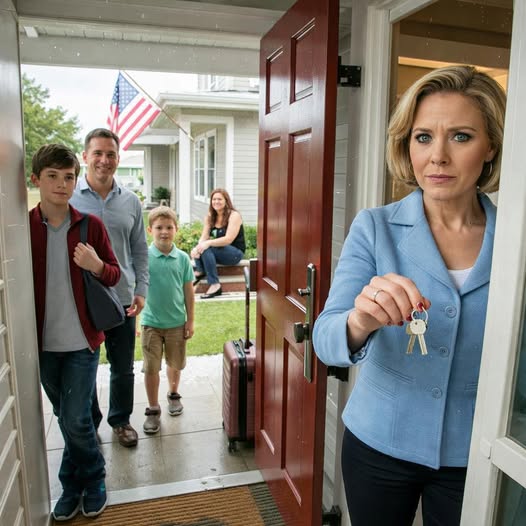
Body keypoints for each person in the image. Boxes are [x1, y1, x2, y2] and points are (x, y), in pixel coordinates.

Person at [312, 65, 506, 526]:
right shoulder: (374, 227)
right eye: (423, 137)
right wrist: (360, 321)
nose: (438, 156)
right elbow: (324, 338)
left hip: (474, 453)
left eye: (460, 137)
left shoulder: (515, 240)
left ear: (491, 147)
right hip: (378, 443)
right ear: (407, 145)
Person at [29, 144, 121, 520]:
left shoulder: (89, 226)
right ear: (35, 179)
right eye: (52, 176)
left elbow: (114, 274)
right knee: (73, 415)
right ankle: (78, 480)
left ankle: (85, 481)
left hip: (83, 342)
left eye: (68, 177)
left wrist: (96, 264)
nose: (61, 184)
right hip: (42, 346)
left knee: (74, 420)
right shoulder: (22, 229)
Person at [70, 128, 149, 448]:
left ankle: (121, 421)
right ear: (85, 157)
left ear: (118, 158)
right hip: (82, 300)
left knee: (123, 367)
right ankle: (90, 423)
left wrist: (141, 290)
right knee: (84, 368)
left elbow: (140, 250)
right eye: (98, 153)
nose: (104, 160)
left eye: (111, 154)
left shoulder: (131, 201)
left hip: (122, 297)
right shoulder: (69, 198)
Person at [141, 206, 195, 434]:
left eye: (169, 227)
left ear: (176, 229)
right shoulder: (144, 258)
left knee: (175, 362)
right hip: (150, 323)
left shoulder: (182, 259)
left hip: (176, 323)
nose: (164, 232)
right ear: (150, 230)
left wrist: (190, 321)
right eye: (159, 227)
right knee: (151, 367)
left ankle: (173, 394)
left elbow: (188, 292)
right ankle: (153, 408)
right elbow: (136, 290)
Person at [190, 188, 245, 299]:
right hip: (220, 251)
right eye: (214, 199)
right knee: (202, 246)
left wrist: (207, 243)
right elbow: (204, 237)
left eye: (219, 199)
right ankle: (200, 271)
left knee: (206, 247)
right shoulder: (210, 216)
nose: (216, 202)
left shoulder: (234, 215)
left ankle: (215, 284)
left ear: (226, 201)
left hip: (235, 253)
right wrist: (196, 248)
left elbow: (228, 239)